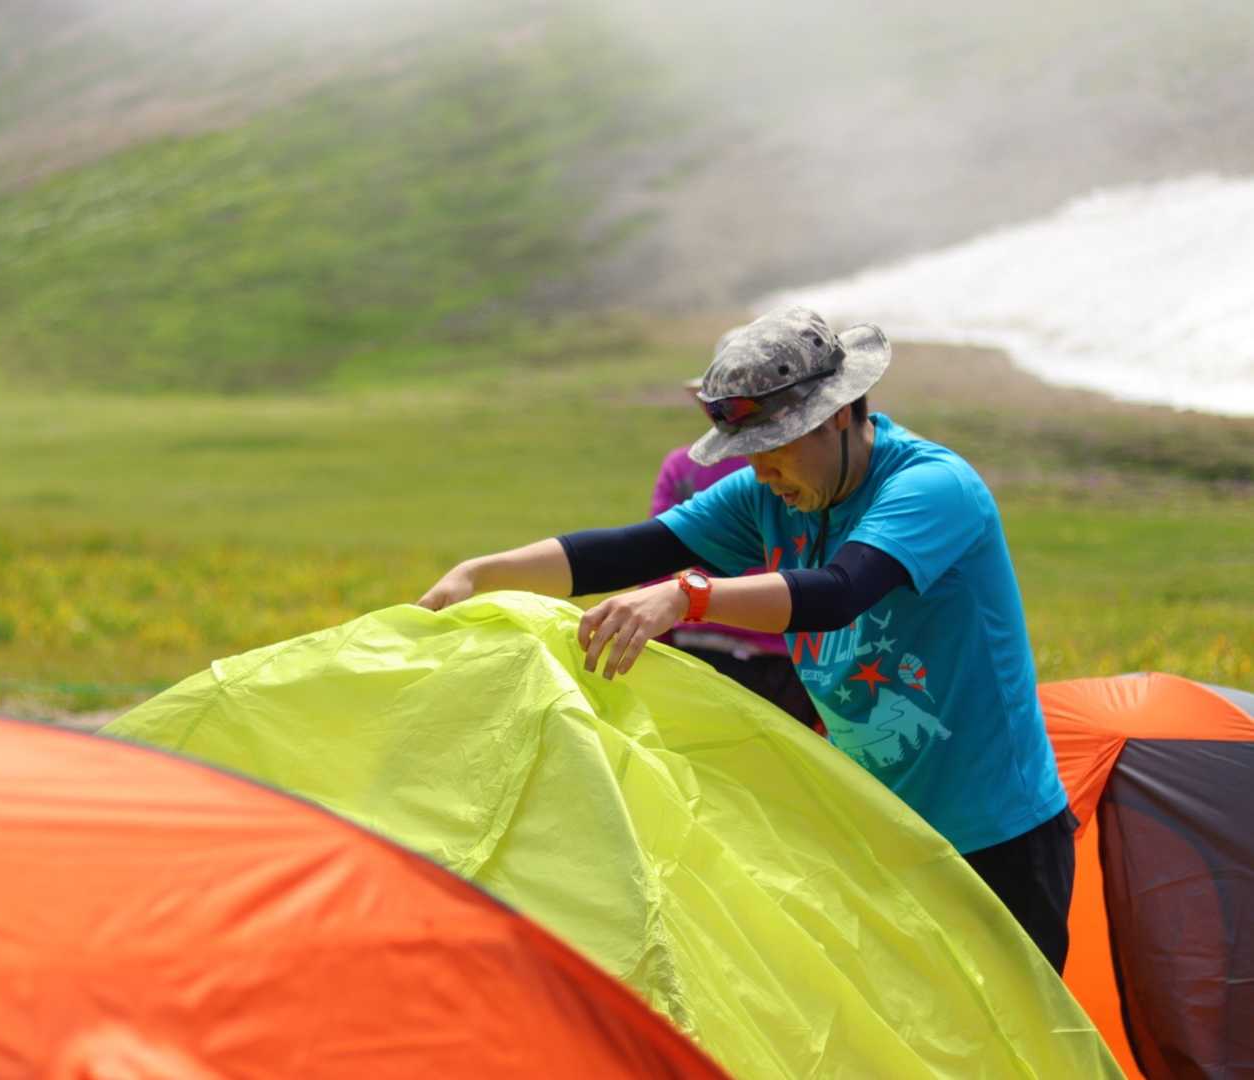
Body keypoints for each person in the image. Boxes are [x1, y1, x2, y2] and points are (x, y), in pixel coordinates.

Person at [418, 306, 1076, 972]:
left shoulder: (931, 487)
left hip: (995, 838)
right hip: (878, 832)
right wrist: (483, 573)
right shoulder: (770, 497)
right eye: (749, 454)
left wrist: (689, 596)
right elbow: (629, 551)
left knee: (1023, 1032)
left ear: (837, 415)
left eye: (776, 447)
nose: (762, 473)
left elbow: (841, 592)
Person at [648, 379, 822, 731]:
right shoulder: (807, 467)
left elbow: (656, 557)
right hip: (787, 652)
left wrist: (656, 637)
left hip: (703, 646)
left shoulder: (683, 466)